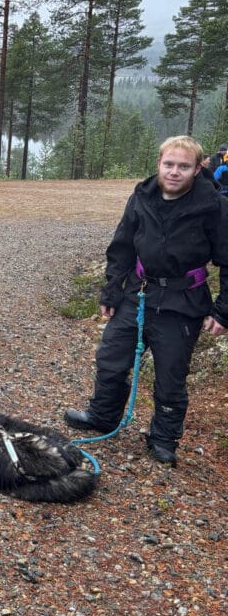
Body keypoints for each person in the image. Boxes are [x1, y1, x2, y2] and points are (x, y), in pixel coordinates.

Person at [64, 135, 228, 465]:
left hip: (184, 303)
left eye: (184, 166)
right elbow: (122, 246)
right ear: (159, 164)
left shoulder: (215, 206)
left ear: (197, 169)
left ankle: (164, 438)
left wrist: (223, 310)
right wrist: (111, 291)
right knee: (110, 359)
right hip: (136, 295)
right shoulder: (141, 197)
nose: (175, 172)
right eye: (169, 164)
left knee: (171, 376)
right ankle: (102, 415)